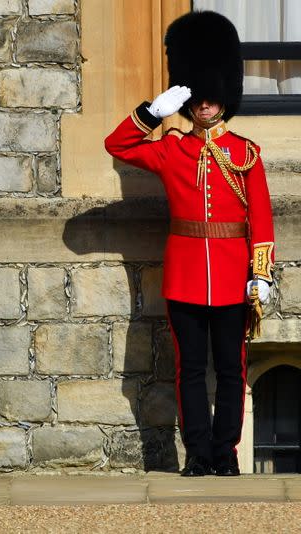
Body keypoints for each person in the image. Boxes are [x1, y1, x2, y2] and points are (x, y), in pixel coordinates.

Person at [105, 11, 274, 477]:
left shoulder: (245, 153)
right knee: (191, 372)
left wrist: (261, 273)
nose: (203, 105)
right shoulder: (172, 148)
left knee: (232, 371)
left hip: (231, 275)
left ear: (224, 97)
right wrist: (150, 113)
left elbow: (260, 218)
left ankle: (226, 453)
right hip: (184, 276)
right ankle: (198, 454)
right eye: (196, 98)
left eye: (211, 97)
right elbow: (116, 145)